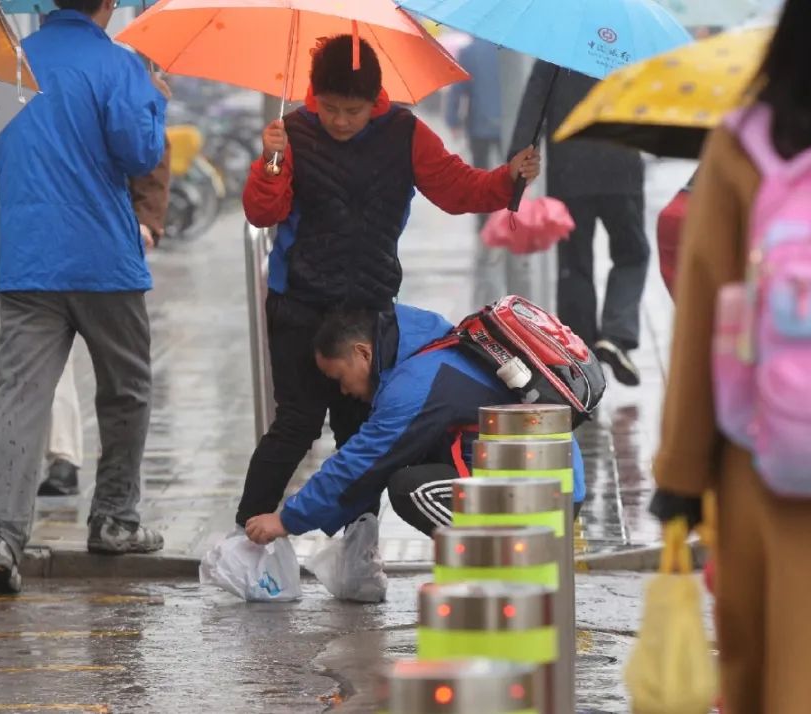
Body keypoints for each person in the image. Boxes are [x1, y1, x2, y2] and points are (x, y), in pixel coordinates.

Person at [650, 0, 811, 710]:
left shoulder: (747, 143)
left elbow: (704, 318)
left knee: (779, 668)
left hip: (769, 459)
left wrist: (681, 473)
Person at [238, 35, 542, 530]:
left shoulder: (407, 132)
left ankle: (360, 545)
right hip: (299, 303)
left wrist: (507, 178)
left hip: (368, 311)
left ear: (375, 100)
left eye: (352, 110)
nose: (339, 120)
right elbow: (263, 210)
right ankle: (245, 535)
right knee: (295, 426)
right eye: (330, 108)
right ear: (314, 95)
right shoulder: (291, 131)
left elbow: (457, 187)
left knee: (359, 431)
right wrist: (271, 159)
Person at [0, 0, 169, 595]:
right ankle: (113, 518)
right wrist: (154, 99)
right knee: (126, 391)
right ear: (107, 5)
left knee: (18, 397)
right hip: (102, 260)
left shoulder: (7, 65)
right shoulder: (120, 67)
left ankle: (0, 537)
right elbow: (140, 154)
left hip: (29, 259)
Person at [245, 305, 584, 544]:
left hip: (545, 492)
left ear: (363, 353)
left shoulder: (417, 384)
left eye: (341, 378)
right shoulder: (432, 348)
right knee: (407, 465)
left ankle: (507, 566)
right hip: (549, 481)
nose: (344, 391)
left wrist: (286, 520)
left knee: (411, 489)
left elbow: (362, 461)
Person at [37, 140, 173, 498]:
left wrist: (146, 220)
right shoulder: (32, 87)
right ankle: (63, 458)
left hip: (112, 243)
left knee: (121, 376)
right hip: (50, 232)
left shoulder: (134, 84)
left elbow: (153, 150)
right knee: (52, 358)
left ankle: (115, 489)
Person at [510, 61, 648, 387]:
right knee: (632, 255)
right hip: (622, 167)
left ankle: (580, 359)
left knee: (574, 264)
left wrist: (516, 165)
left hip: (569, 173)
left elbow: (535, 105)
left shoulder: (557, 50)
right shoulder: (627, 45)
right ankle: (617, 333)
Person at [446, 38, 504, 171]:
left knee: (480, 169)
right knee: (510, 169)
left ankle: (486, 191)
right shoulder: (512, 52)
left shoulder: (469, 52)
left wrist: (453, 120)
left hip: (478, 121)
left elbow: (457, 88)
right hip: (507, 122)